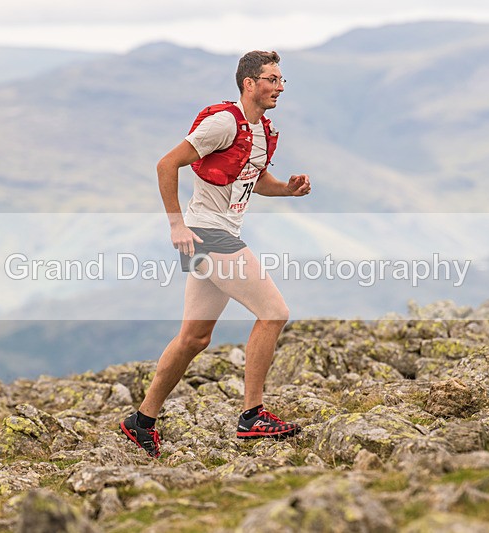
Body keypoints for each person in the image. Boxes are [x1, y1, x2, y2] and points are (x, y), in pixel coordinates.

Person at [120, 50, 311, 458]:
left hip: (216, 235)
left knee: (194, 338)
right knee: (274, 312)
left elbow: (254, 179)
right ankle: (252, 416)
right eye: (272, 79)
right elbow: (167, 164)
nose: (280, 87)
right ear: (249, 83)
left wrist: (287, 190)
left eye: (282, 80)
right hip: (207, 235)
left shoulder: (262, 130)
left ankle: (141, 421)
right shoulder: (224, 123)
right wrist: (176, 225)